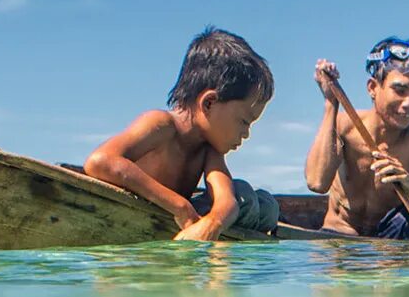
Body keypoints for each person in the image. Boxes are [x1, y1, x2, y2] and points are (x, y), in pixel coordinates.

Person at [84, 27, 278, 240]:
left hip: (188, 220)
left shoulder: (209, 150)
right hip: (145, 210)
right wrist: (180, 206)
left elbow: (227, 202)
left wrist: (212, 224)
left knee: (263, 203)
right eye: (244, 122)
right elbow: (100, 161)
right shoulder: (161, 124)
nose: (246, 134)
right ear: (209, 103)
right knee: (246, 197)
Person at [305, 38, 409, 238]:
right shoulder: (344, 126)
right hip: (339, 238)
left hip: (388, 246)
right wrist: (331, 103)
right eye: (399, 90)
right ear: (372, 88)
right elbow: (316, 183)